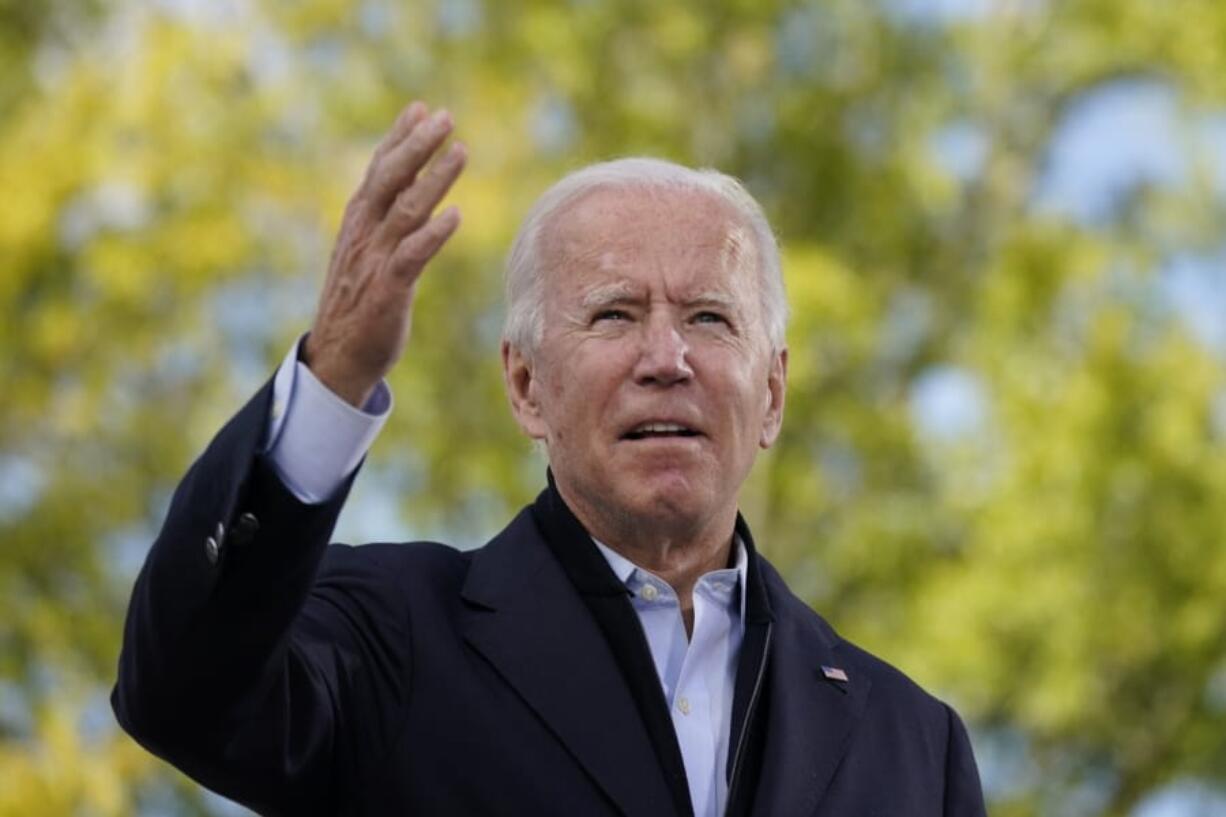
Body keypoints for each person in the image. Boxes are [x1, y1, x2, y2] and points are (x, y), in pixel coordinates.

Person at [112, 100, 987, 817]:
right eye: (613, 314)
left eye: (710, 318)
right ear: (526, 386)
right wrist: (333, 377)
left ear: (774, 393)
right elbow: (183, 694)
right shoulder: (395, 642)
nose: (666, 357)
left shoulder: (912, 742)